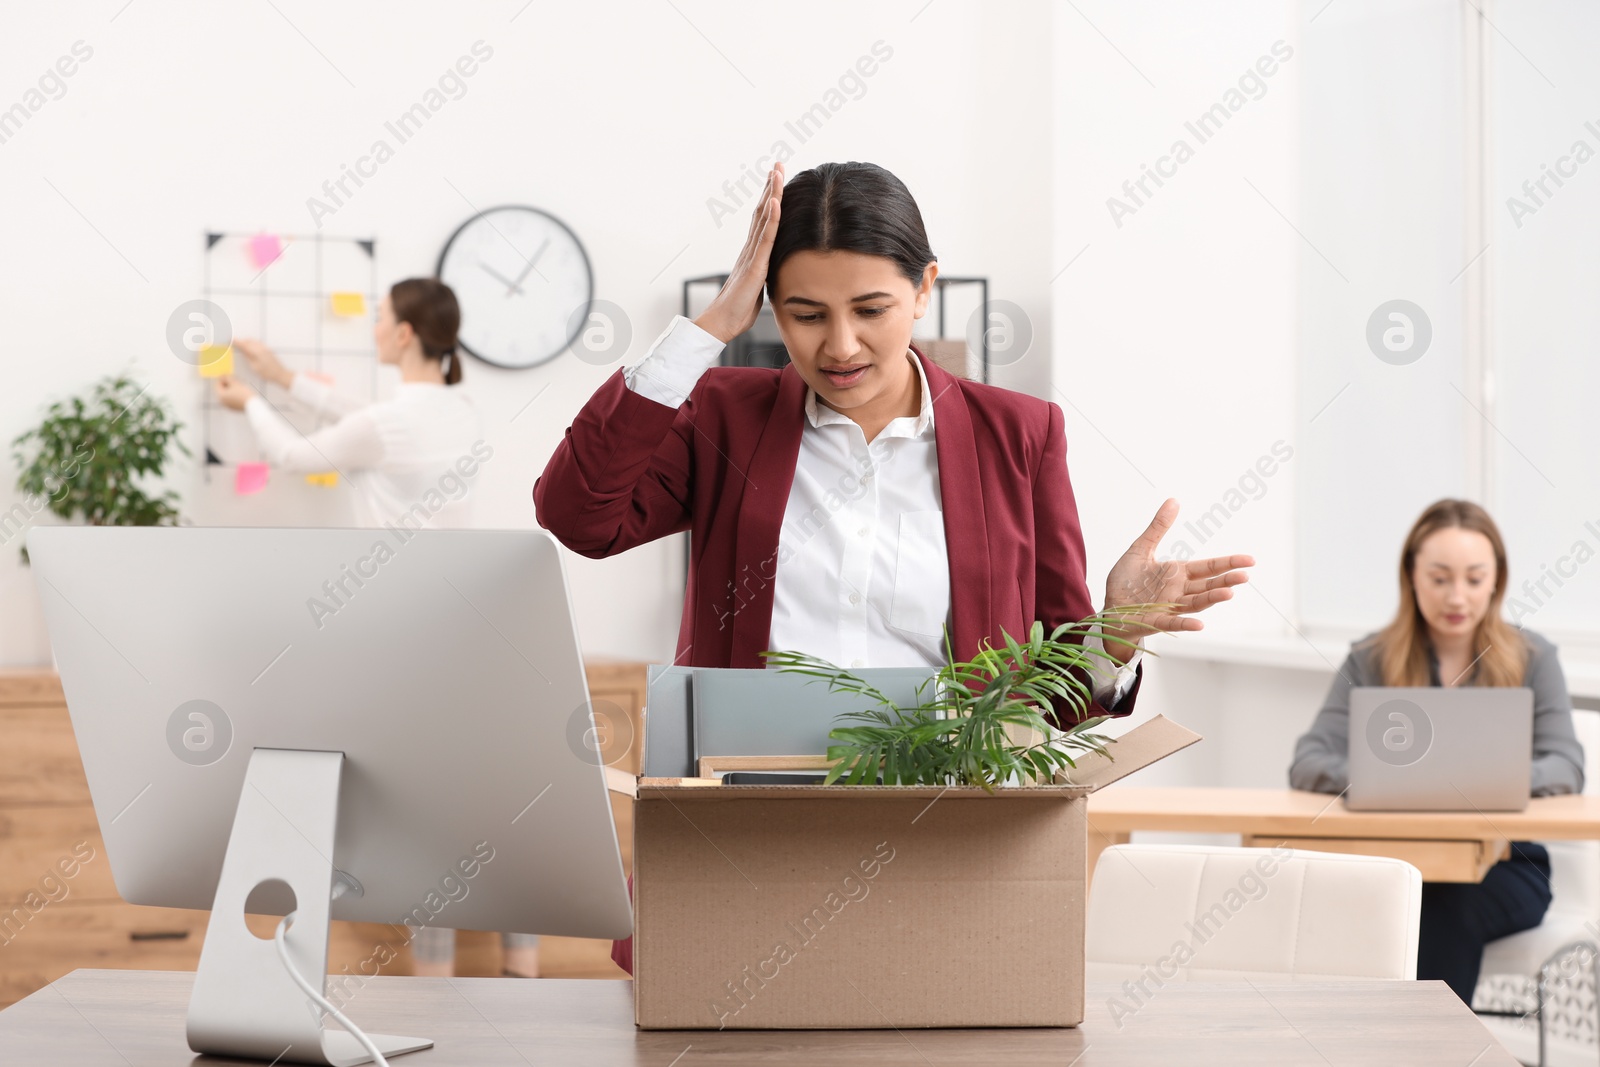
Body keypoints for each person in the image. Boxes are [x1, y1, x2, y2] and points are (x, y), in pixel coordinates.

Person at [534, 160, 1256, 974]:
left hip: (943, 840)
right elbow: (578, 514)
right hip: (741, 836)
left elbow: (1045, 707)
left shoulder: (1017, 435)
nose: (839, 346)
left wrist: (1112, 634)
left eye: (870, 309)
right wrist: (706, 331)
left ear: (924, 289)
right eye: (805, 314)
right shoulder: (724, 415)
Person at [215, 278, 538, 978]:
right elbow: (373, 418)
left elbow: (303, 456)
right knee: (477, 807)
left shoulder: (392, 424)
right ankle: (522, 970)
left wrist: (256, 403)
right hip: (464, 631)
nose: (373, 327)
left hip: (399, 638)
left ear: (401, 334)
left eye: (381, 317)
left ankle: (431, 983)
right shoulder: (461, 409)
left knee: (424, 818)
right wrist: (287, 377)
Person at [1289, 498, 1585, 1004]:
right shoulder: (1370, 658)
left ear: (1497, 580)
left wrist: (1473, 781)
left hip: (1507, 867)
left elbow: (1566, 766)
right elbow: (1309, 760)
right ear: (1412, 576)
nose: (1457, 596)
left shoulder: (1534, 657)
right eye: (1440, 577)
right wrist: (1389, 780)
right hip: (1393, 861)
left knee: (1440, 907)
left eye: (1474, 578)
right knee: (1367, 901)